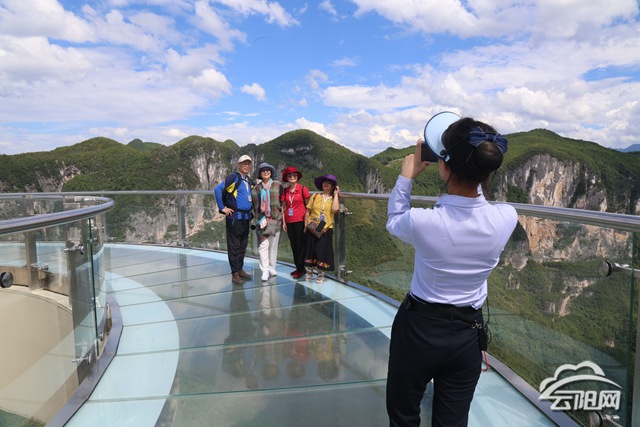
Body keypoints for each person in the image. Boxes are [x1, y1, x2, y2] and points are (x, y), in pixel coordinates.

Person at [385, 116, 518, 427]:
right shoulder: (506, 218)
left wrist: (406, 178)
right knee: (453, 421)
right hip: (467, 336)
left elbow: (394, 219)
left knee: (403, 414)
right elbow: (480, 203)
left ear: (443, 166)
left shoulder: (423, 222)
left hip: (418, 330)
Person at [214, 154, 255, 285]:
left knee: (243, 245)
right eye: (244, 163)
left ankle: (240, 269)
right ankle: (235, 273)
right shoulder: (234, 177)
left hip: (246, 218)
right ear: (239, 165)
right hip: (235, 218)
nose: (246, 165)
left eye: (248, 163)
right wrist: (222, 208)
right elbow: (217, 189)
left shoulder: (248, 180)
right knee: (234, 246)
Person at [303, 173, 340, 283]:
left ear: (332, 187)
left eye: (329, 183)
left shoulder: (333, 199)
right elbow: (308, 211)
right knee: (311, 249)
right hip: (312, 226)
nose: (326, 184)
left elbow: (335, 209)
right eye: (325, 182)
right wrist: (305, 225)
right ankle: (309, 270)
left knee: (321, 251)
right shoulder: (315, 196)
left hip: (326, 228)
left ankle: (320, 272)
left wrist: (336, 194)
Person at [252, 162, 283, 281]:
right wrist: (259, 219)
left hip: (276, 220)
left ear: (271, 172)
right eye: (263, 170)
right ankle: (264, 270)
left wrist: (281, 216)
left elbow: (282, 202)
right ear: (260, 174)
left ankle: (272, 267)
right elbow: (255, 206)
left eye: (267, 170)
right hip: (262, 221)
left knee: (273, 245)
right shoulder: (257, 188)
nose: (265, 172)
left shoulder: (277, 185)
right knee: (263, 245)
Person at [280, 166, 310, 279]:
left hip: (300, 221)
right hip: (289, 221)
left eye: (294, 175)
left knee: (300, 245)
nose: (292, 177)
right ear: (287, 178)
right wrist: (284, 222)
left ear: (297, 177)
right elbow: (284, 207)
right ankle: (298, 267)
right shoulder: (285, 191)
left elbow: (309, 206)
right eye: (290, 175)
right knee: (293, 245)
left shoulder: (303, 189)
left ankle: (301, 269)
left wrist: (307, 223)